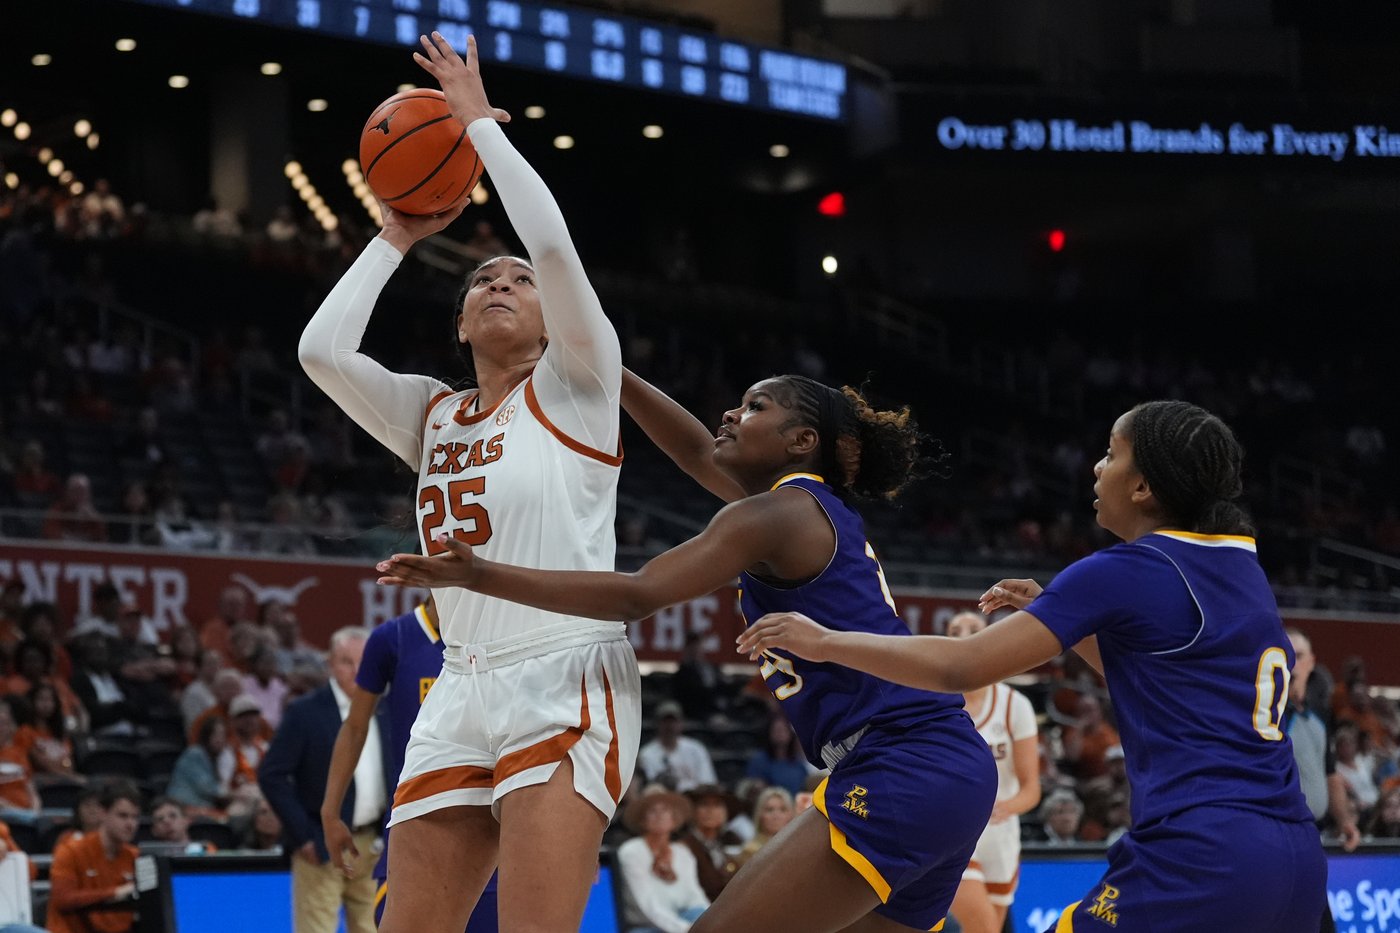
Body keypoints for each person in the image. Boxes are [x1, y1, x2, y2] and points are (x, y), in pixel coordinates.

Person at [376, 370, 997, 932]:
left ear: (801, 440)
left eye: (754, 406)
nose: (730, 413)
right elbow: (699, 451)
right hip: (945, 768)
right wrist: (605, 367)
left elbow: (639, 594)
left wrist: (481, 575)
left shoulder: (777, 513)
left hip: (903, 763)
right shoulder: (797, 509)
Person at [738, 399, 1328, 932]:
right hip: (1297, 864)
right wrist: (1066, 619)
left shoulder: (1127, 569)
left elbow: (961, 667)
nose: (1098, 468)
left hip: (1203, 855)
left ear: (1144, 485)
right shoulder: (1242, 568)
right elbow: (1158, 676)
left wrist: (827, 641)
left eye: (1111, 455)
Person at [300, 31, 640, 933]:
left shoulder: (581, 384)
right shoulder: (433, 413)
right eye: (482, 279)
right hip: (458, 684)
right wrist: (395, 235)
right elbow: (321, 352)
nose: (501, 281)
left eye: (516, 280)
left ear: (547, 317)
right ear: (458, 323)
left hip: (564, 672)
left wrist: (477, 122)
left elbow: (557, 248)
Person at [320, 599, 498, 931]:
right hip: (414, 828)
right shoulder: (394, 638)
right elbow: (355, 727)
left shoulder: (498, 635)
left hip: (491, 828)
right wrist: (330, 812)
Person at [259, 627, 391, 933]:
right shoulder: (305, 712)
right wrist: (303, 836)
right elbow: (271, 774)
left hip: (373, 846)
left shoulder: (386, 708)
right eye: (347, 661)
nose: (358, 671)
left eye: (365, 661)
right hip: (322, 845)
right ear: (330, 663)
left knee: (375, 928)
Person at [944, 610, 1040, 933]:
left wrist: (1003, 808)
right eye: (955, 630)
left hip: (1001, 836)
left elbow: (1031, 790)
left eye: (973, 627)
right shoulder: (936, 703)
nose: (964, 634)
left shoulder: (1015, 705)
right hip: (955, 832)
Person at [1284, 628, 1361, 852]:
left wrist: (1345, 821)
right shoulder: (1269, 715)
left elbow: (1330, 773)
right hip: (1282, 831)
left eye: (1298, 656)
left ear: (1311, 662)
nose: (1291, 663)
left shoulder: (1320, 713)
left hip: (1316, 832)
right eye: (1285, 654)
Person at [47, 781, 141, 933]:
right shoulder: (70, 850)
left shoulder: (136, 856)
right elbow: (62, 899)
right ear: (103, 813)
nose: (130, 824)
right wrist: (116, 893)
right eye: (122, 816)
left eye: (135, 817)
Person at [616, 785, 709, 933]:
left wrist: (712, 920)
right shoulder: (631, 852)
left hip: (683, 917)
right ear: (643, 821)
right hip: (647, 925)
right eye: (652, 811)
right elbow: (647, 904)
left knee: (702, 914)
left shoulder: (683, 853)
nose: (659, 815)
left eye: (665, 810)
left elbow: (695, 895)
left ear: (674, 820)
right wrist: (684, 929)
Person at [679, 784, 743, 901]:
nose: (710, 811)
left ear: (725, 812)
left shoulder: (729, 841)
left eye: (717, 805)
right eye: (704, 804)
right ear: (693, 811)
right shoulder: (684, 846)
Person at [638, 701, 717, 792]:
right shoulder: (646, 754)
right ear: (657, 724)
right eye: (665, 721)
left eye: (673, 721)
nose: (669, 726)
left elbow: (707, 782)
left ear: (681, 723)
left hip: (693, 798)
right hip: (663, 800)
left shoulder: (696, 749)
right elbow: (649, 788)